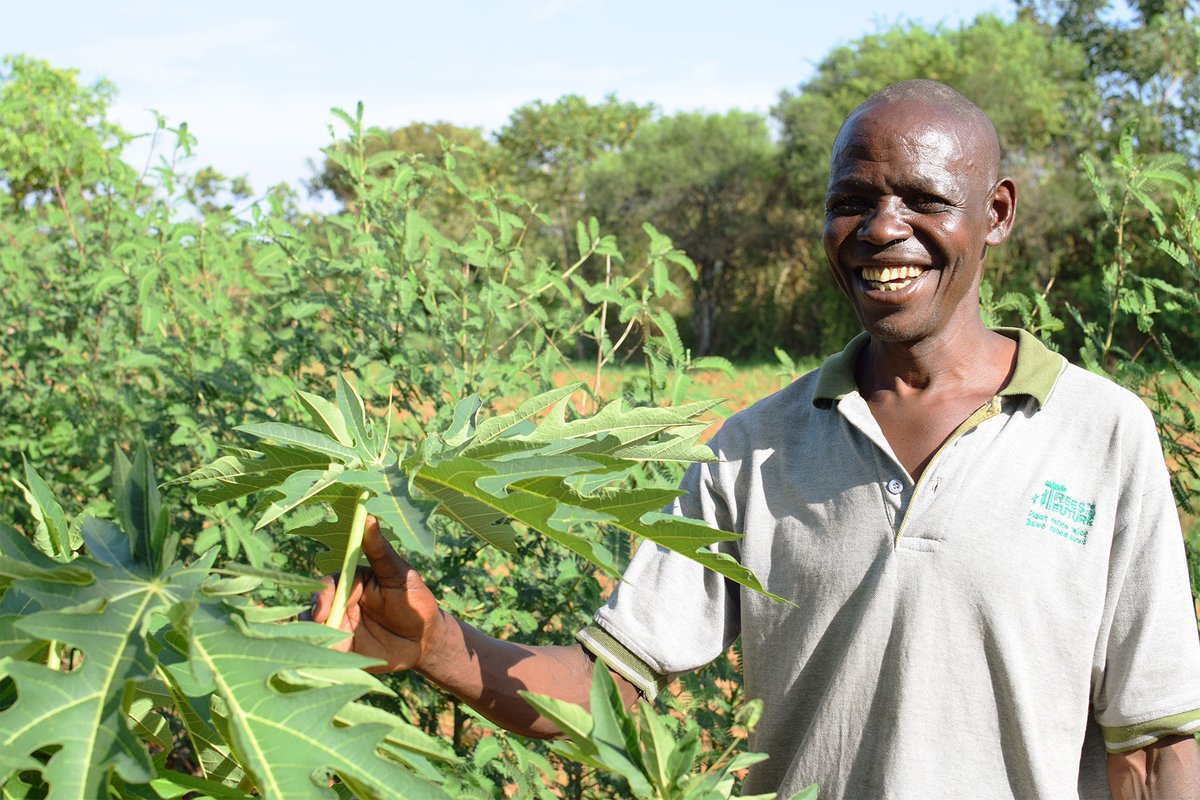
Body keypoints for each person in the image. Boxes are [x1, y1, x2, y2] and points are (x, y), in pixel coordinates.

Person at [312, 80, 1200, 798]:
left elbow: (1153, 743)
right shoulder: (753, 446)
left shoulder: (1098, 430)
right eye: (852, 202)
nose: (883, 230)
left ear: (996, 213)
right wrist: (435, 644)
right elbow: (611, 687)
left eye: (925, 199)